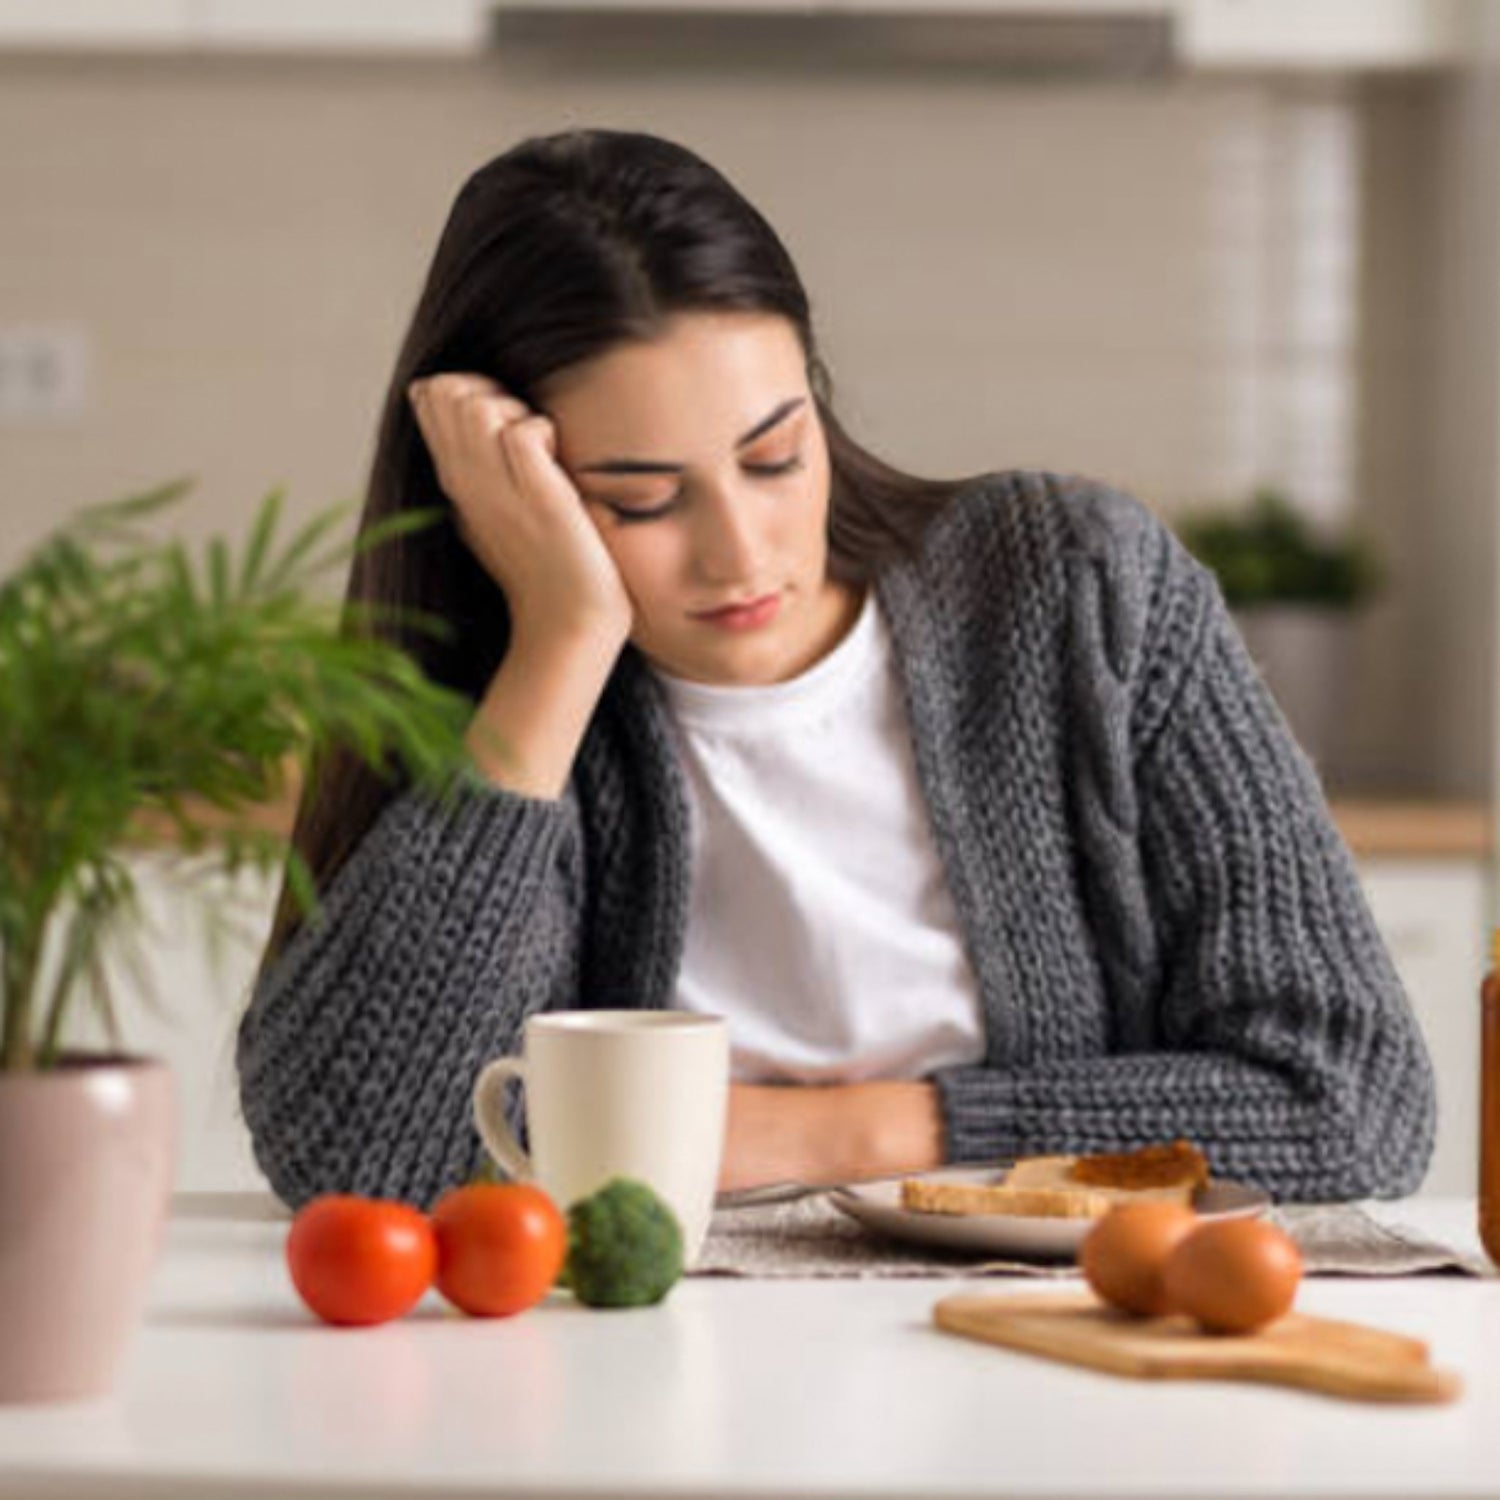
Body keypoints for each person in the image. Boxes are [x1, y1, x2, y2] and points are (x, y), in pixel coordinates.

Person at [236, 127, 1436, 1214]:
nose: (742, 551)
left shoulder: (1078, 593)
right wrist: (559, 641)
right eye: (639, 499)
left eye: (774, 455)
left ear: (819, 397)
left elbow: (1351, 1107)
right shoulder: (501, 698)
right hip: (627, 1388)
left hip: (1046, 1386)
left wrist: (824, 1133)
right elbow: (362, 1167)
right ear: (515, 497)